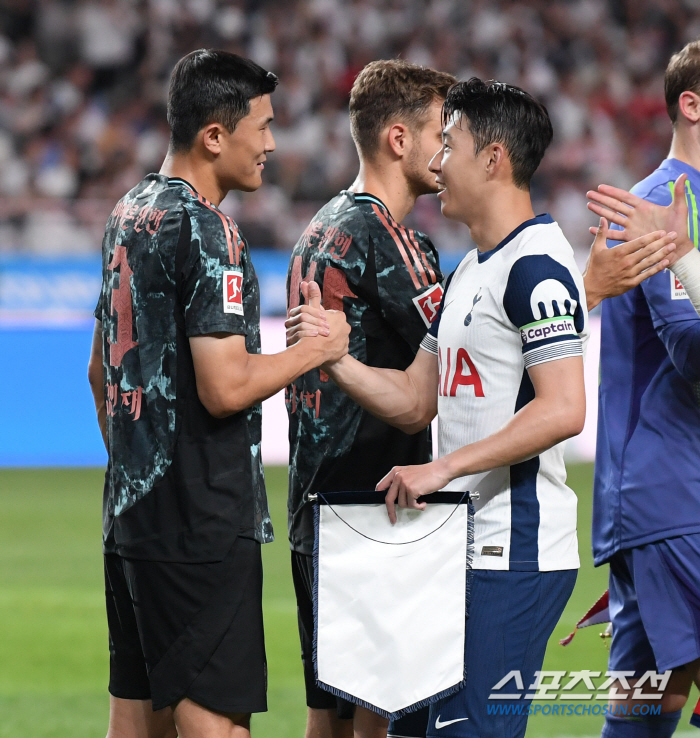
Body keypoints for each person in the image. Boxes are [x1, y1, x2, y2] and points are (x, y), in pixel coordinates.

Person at [288, 77, 599, 738]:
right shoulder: (468, 272)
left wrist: (441, 468)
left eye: (450, 144)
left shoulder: (537, 269)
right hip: (451, 551)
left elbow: (565, 409)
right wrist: (333, 358)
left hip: (513, 553)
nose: (439, 162)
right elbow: (413, 400)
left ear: (493, 159)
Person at [87, 49, 349, 738]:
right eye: (260, 126)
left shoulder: (129, 211)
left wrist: (143, 470)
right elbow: (227, 387)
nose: (270, 143)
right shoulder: (208, 230)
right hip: (201, 523)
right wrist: (314, 351)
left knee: (137, 722)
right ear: (214, 135)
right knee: (217, 726)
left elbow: (99, 374)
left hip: (131, 515)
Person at [285, 58, 456, 738]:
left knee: (326, 714)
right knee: (378, 717)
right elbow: (433, 388)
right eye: (442, 131)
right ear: (398, 139)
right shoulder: (392, 239)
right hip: (373, 505)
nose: (450, 150)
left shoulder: (319, 226)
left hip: (312, 504)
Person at [584, 39, 700, 738]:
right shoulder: (660, 205)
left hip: (665, 494)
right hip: (673, 496)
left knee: (640, 723)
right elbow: (691, 354)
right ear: (692, 103)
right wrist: (685, 255)